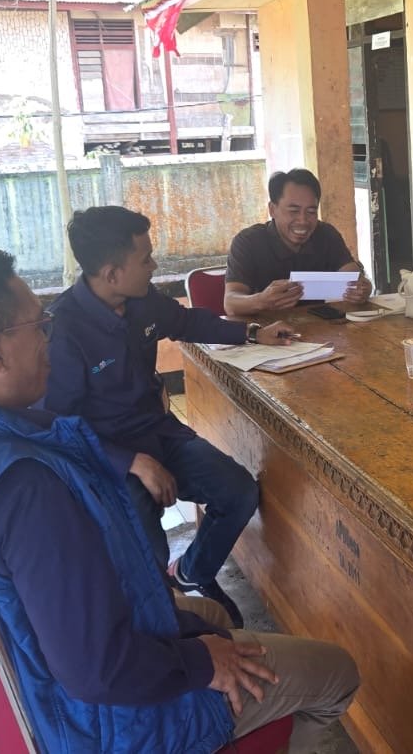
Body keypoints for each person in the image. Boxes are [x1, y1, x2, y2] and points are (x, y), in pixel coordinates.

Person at [0, 250, 359, 752]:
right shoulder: (26, 488)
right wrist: (202, 662)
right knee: (336, 672)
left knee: (210, 615)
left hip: (25, 693)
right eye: (38, 325)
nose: (49, 337)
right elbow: (98, 670)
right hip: (105, 723)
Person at [45, 206, 295, 628]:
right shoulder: (63, 331)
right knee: (147, 546)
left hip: (158, 432)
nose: (154, 266)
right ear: (112, 274)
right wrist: (132, 462)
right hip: (108, 459)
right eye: (145, 259)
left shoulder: (141, 301)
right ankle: (170, 621)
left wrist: (252, 333)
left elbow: (186, 321)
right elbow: (58, 425)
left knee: (237, 492)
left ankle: (192, 573)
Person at [225, 169, 371, 316]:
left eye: (311, 212)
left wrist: (363, 289)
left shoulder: (325, 234)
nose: (303, 221)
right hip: (264, 327)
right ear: (272, 210)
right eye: (294, 211)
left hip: (317, 325)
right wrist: (261, 301)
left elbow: (353, 275)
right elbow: (230, 303)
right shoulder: (248, 242)